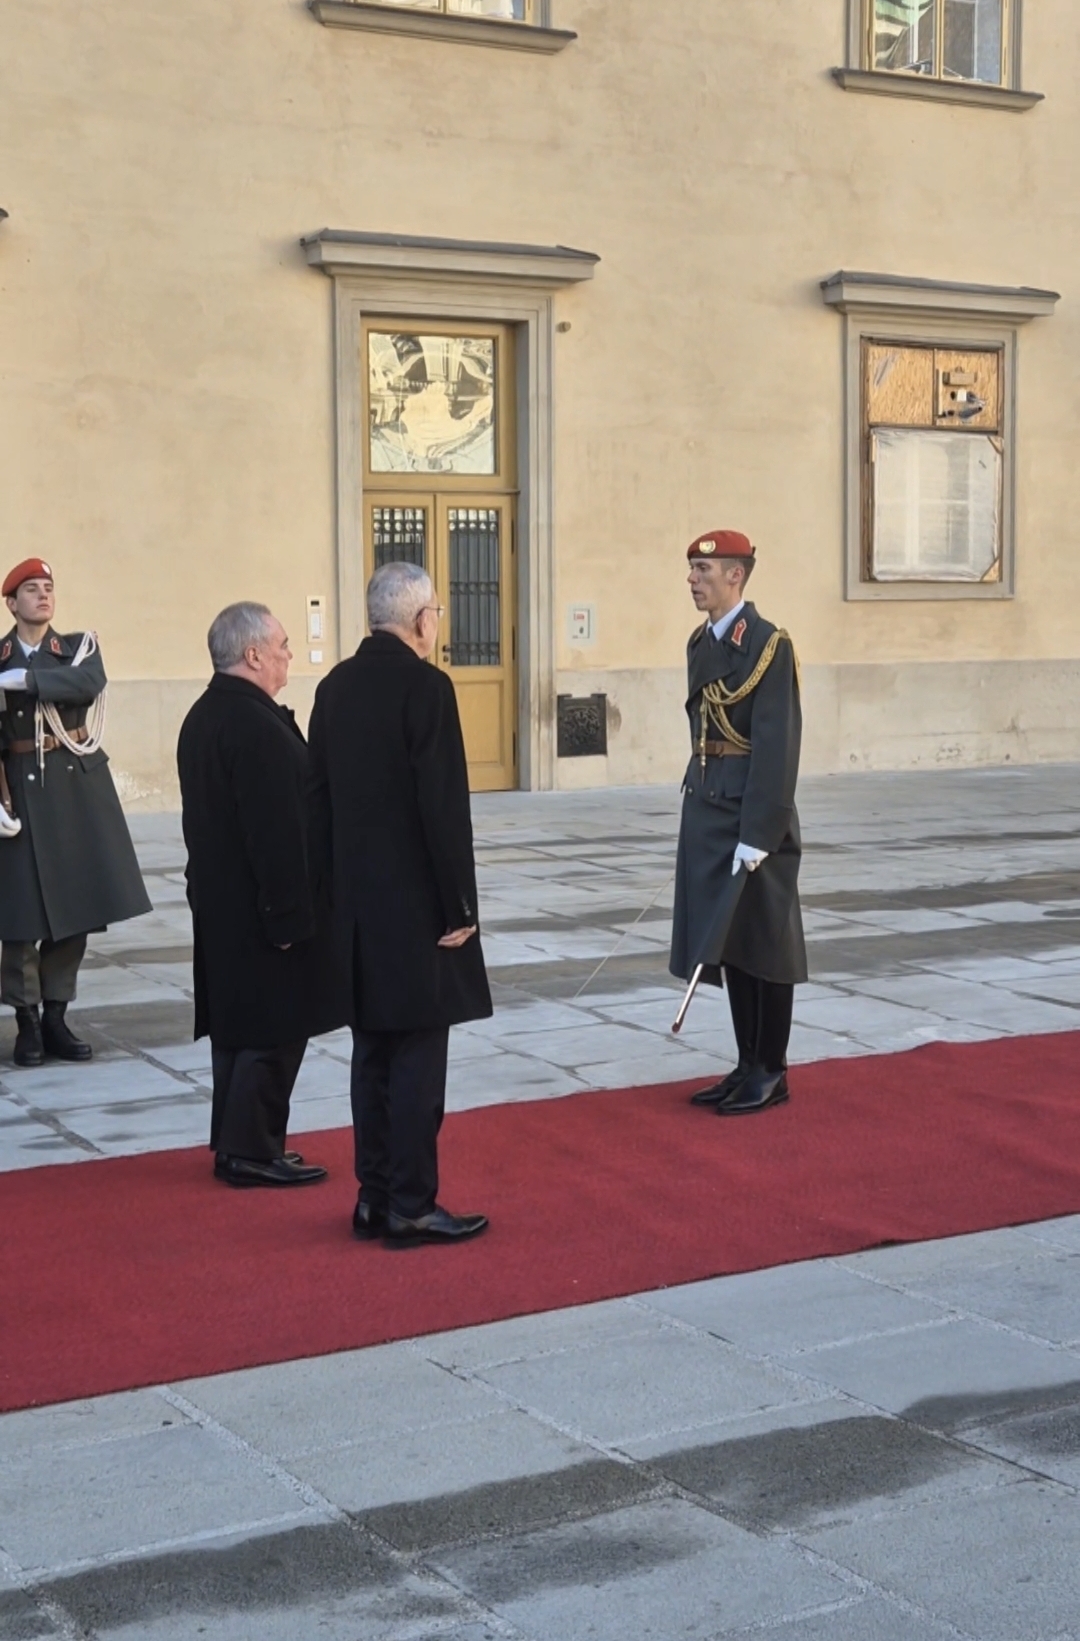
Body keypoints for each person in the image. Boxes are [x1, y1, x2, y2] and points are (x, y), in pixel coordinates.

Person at [308, 561, 491, 1250]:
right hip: (416, 911)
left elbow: (314, 804)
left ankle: (373, 1195)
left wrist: (328, 898)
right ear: (421, 619)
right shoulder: (427, 687)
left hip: (356, 909)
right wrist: (460, 906)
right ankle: (411, 1203)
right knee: (416, 1059)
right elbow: (442, 809)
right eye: (435, 612)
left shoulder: (333, 687)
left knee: (372, 1055)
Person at [177, 602, 345, 1188]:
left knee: (239, 1027)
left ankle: (239, 1143)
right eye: (281, 645)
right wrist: (289, 917)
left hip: (225, 903)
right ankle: (251, 1149)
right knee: (272, 1029)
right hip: (261, 907)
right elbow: (276, 834)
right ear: (252, 655)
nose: (288, 655)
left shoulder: (208, 714)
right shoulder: (252, 725)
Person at [669, 529, 807, 1114]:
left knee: (766, 942)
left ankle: (771, 1069)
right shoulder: (701, 642)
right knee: (728, 943)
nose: (693, 579)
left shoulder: (770, 646)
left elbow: (778, 745)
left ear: (736, 575)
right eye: (692, 569)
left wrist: (760, 833)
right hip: (710, 804)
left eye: (704, 570)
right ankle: (747, 1062)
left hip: (753, 811)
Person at [0, 558, 151, 1066]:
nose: (43, 595)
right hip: (18, 787)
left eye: (48, 588)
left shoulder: (78, 648)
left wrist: (30, 681)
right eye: (31, 589)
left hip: (72, 787)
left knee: (74, 911)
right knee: (20, 917)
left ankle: (56, 1017)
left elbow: (89, 682)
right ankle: (26, 1022)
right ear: (11, 603)